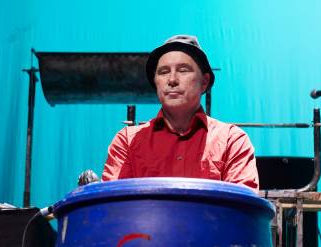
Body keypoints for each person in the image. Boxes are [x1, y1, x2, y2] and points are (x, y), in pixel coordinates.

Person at [101, 35, 259, 190]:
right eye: (163, 72)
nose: (172, 79)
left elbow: (242, 209)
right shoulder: (128, 141)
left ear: (204, 82)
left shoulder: (232, 141)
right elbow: (113, 206)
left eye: (183, 70)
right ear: (156, 82)